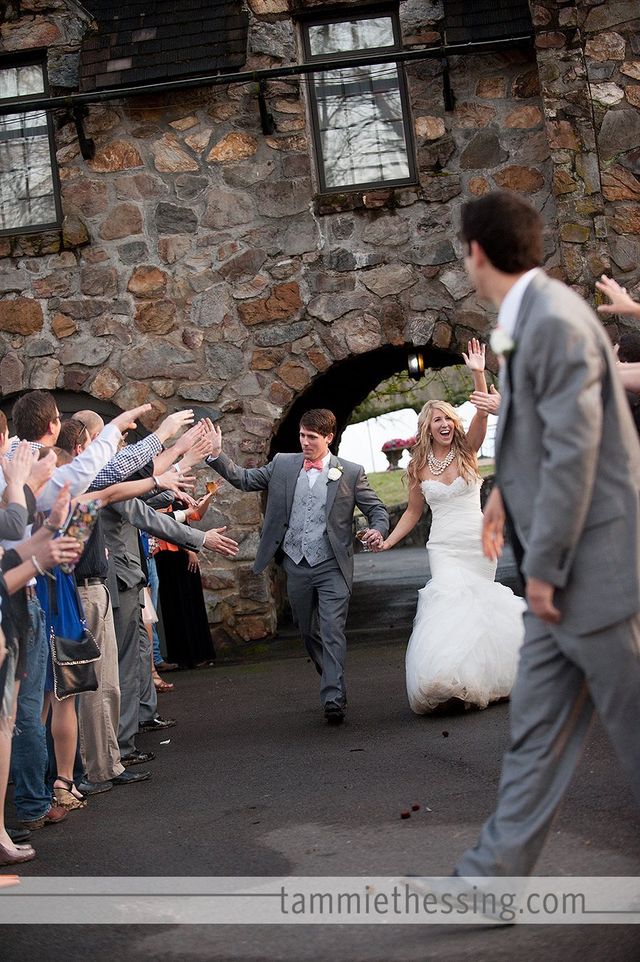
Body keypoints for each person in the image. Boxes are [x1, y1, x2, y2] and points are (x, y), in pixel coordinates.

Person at [442, 189, 640, 881]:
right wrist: (502, 500)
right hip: (562, 578)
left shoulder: (552, 319)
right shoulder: (523, 319)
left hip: (595, 573)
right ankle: (491, 880)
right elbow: (536, 436)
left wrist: (546, 565)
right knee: (533, 735)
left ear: (475, 251)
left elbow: (576, 449)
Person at [209, 409, 389, 725]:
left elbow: (377, 510)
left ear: (329, 438)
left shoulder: (350, 472)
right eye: (302, 436)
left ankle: (332, 696)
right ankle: (333, 676)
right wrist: (216, 455)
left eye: (312, 437)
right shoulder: (283, 464)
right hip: (297, 563)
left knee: (332, 630)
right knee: (307, 632)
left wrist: (377, 529)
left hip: (332, 564)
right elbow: (245, 479)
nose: (305, 442)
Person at [377, 340, 524, 713]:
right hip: (442, 546)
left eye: (447, 418)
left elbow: (481, 415)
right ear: (427, 428)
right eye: (437, 420)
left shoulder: (467, 451)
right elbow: (412, 513)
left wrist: (477, 372)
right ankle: (447, 679)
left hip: (476, 543)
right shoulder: (417, 468)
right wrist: (389, 542)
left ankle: (485, 676)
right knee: (447, 602)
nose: (444, 424)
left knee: (477, 608)